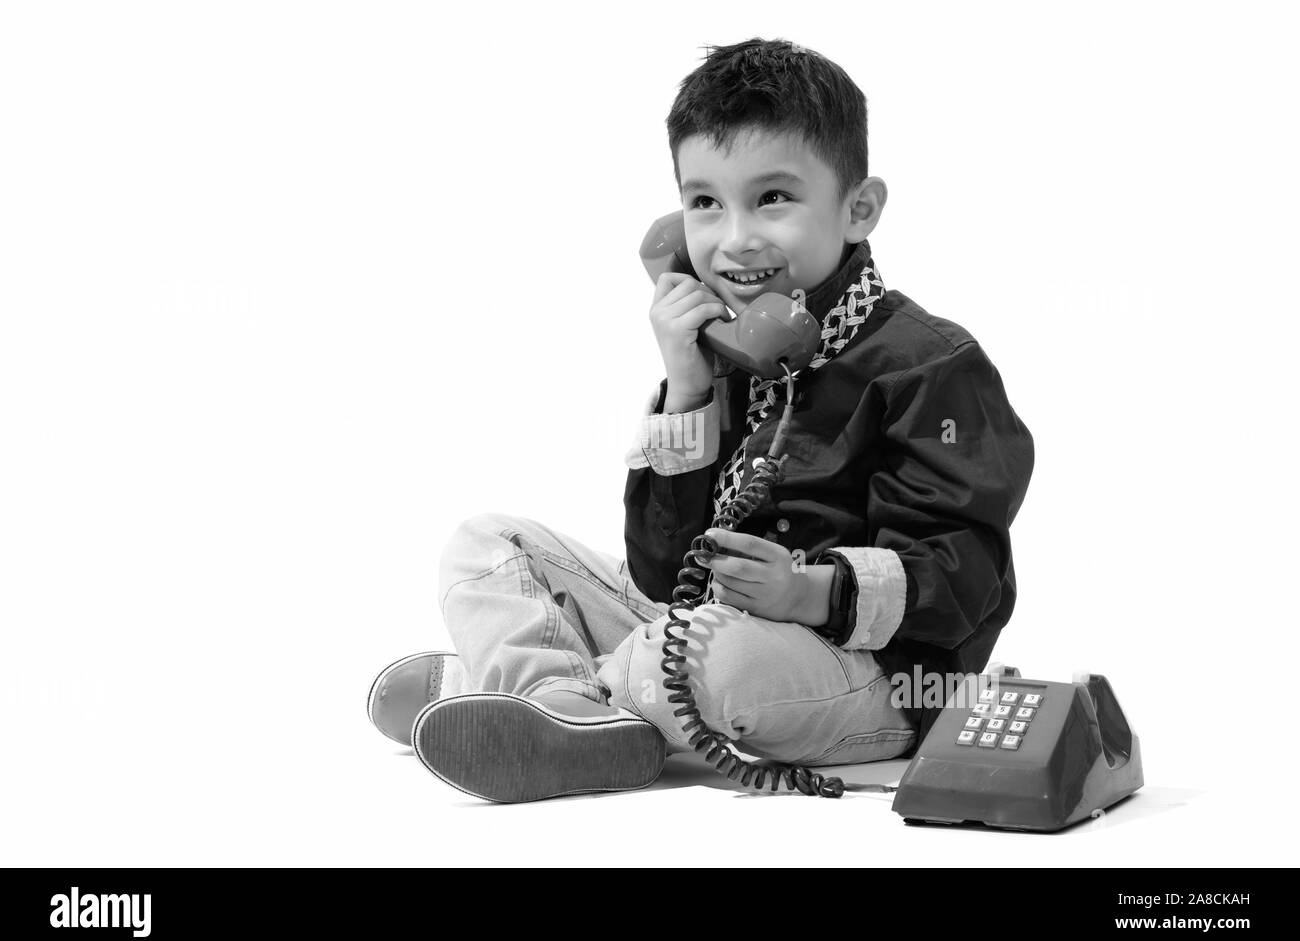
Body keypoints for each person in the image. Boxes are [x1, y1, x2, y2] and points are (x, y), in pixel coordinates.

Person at [367, 37, 1034, 803]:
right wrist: (687, 391)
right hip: (704, 627)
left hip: (878, 677)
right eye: (705, 202)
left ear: (859, 207)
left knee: (693, 661)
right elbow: (659, 576)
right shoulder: (721, 352)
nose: (734, 238)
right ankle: (565, 710)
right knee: (484, 544)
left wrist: (810, 593)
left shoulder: (931, 365)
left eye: (773, 198)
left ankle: (524, 683)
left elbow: (968, 578)